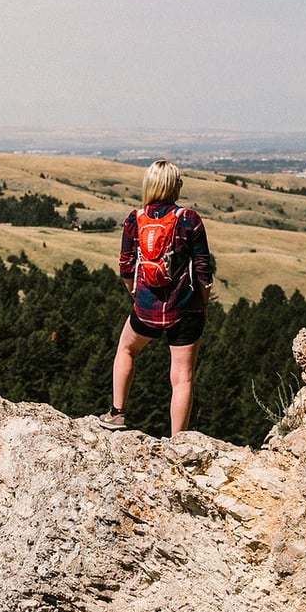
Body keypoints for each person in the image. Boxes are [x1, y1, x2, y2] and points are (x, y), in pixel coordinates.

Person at [100, 160, 213, 437]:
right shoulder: (189, 219)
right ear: (175, 186)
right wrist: (203, 304)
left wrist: (136, 293)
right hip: (185, 308)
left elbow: (126, 267)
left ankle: (117, 413)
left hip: (146, 308)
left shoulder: (134, 219)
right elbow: (203, 270)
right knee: (182, 377)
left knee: (127, 349)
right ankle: (178, 440)